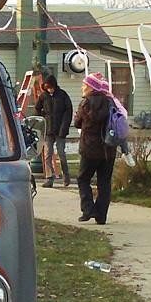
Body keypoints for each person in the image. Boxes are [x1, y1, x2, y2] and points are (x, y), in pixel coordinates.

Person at [72, 72, 116, 224]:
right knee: (104, 183)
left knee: (83, 179)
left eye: (85, 85)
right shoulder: (110, 102)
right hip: (108, 150)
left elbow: (77, 123)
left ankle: (88, 209)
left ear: (91, 87)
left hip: (89, 149)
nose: (82, 87)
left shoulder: (85, 103)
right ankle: (101, 216)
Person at [34, 73, 73, 188]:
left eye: (50, 87)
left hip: (60, 129)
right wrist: (42, 118)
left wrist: (64, 128)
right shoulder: (43, 96)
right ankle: (49, 178)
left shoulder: (62, 95)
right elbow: (37, 109)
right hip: (48, 130)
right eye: (47, 87)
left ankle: (66, 176)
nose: (49, 89)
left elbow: (68, 111)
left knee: (61, 154)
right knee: (47, 155)